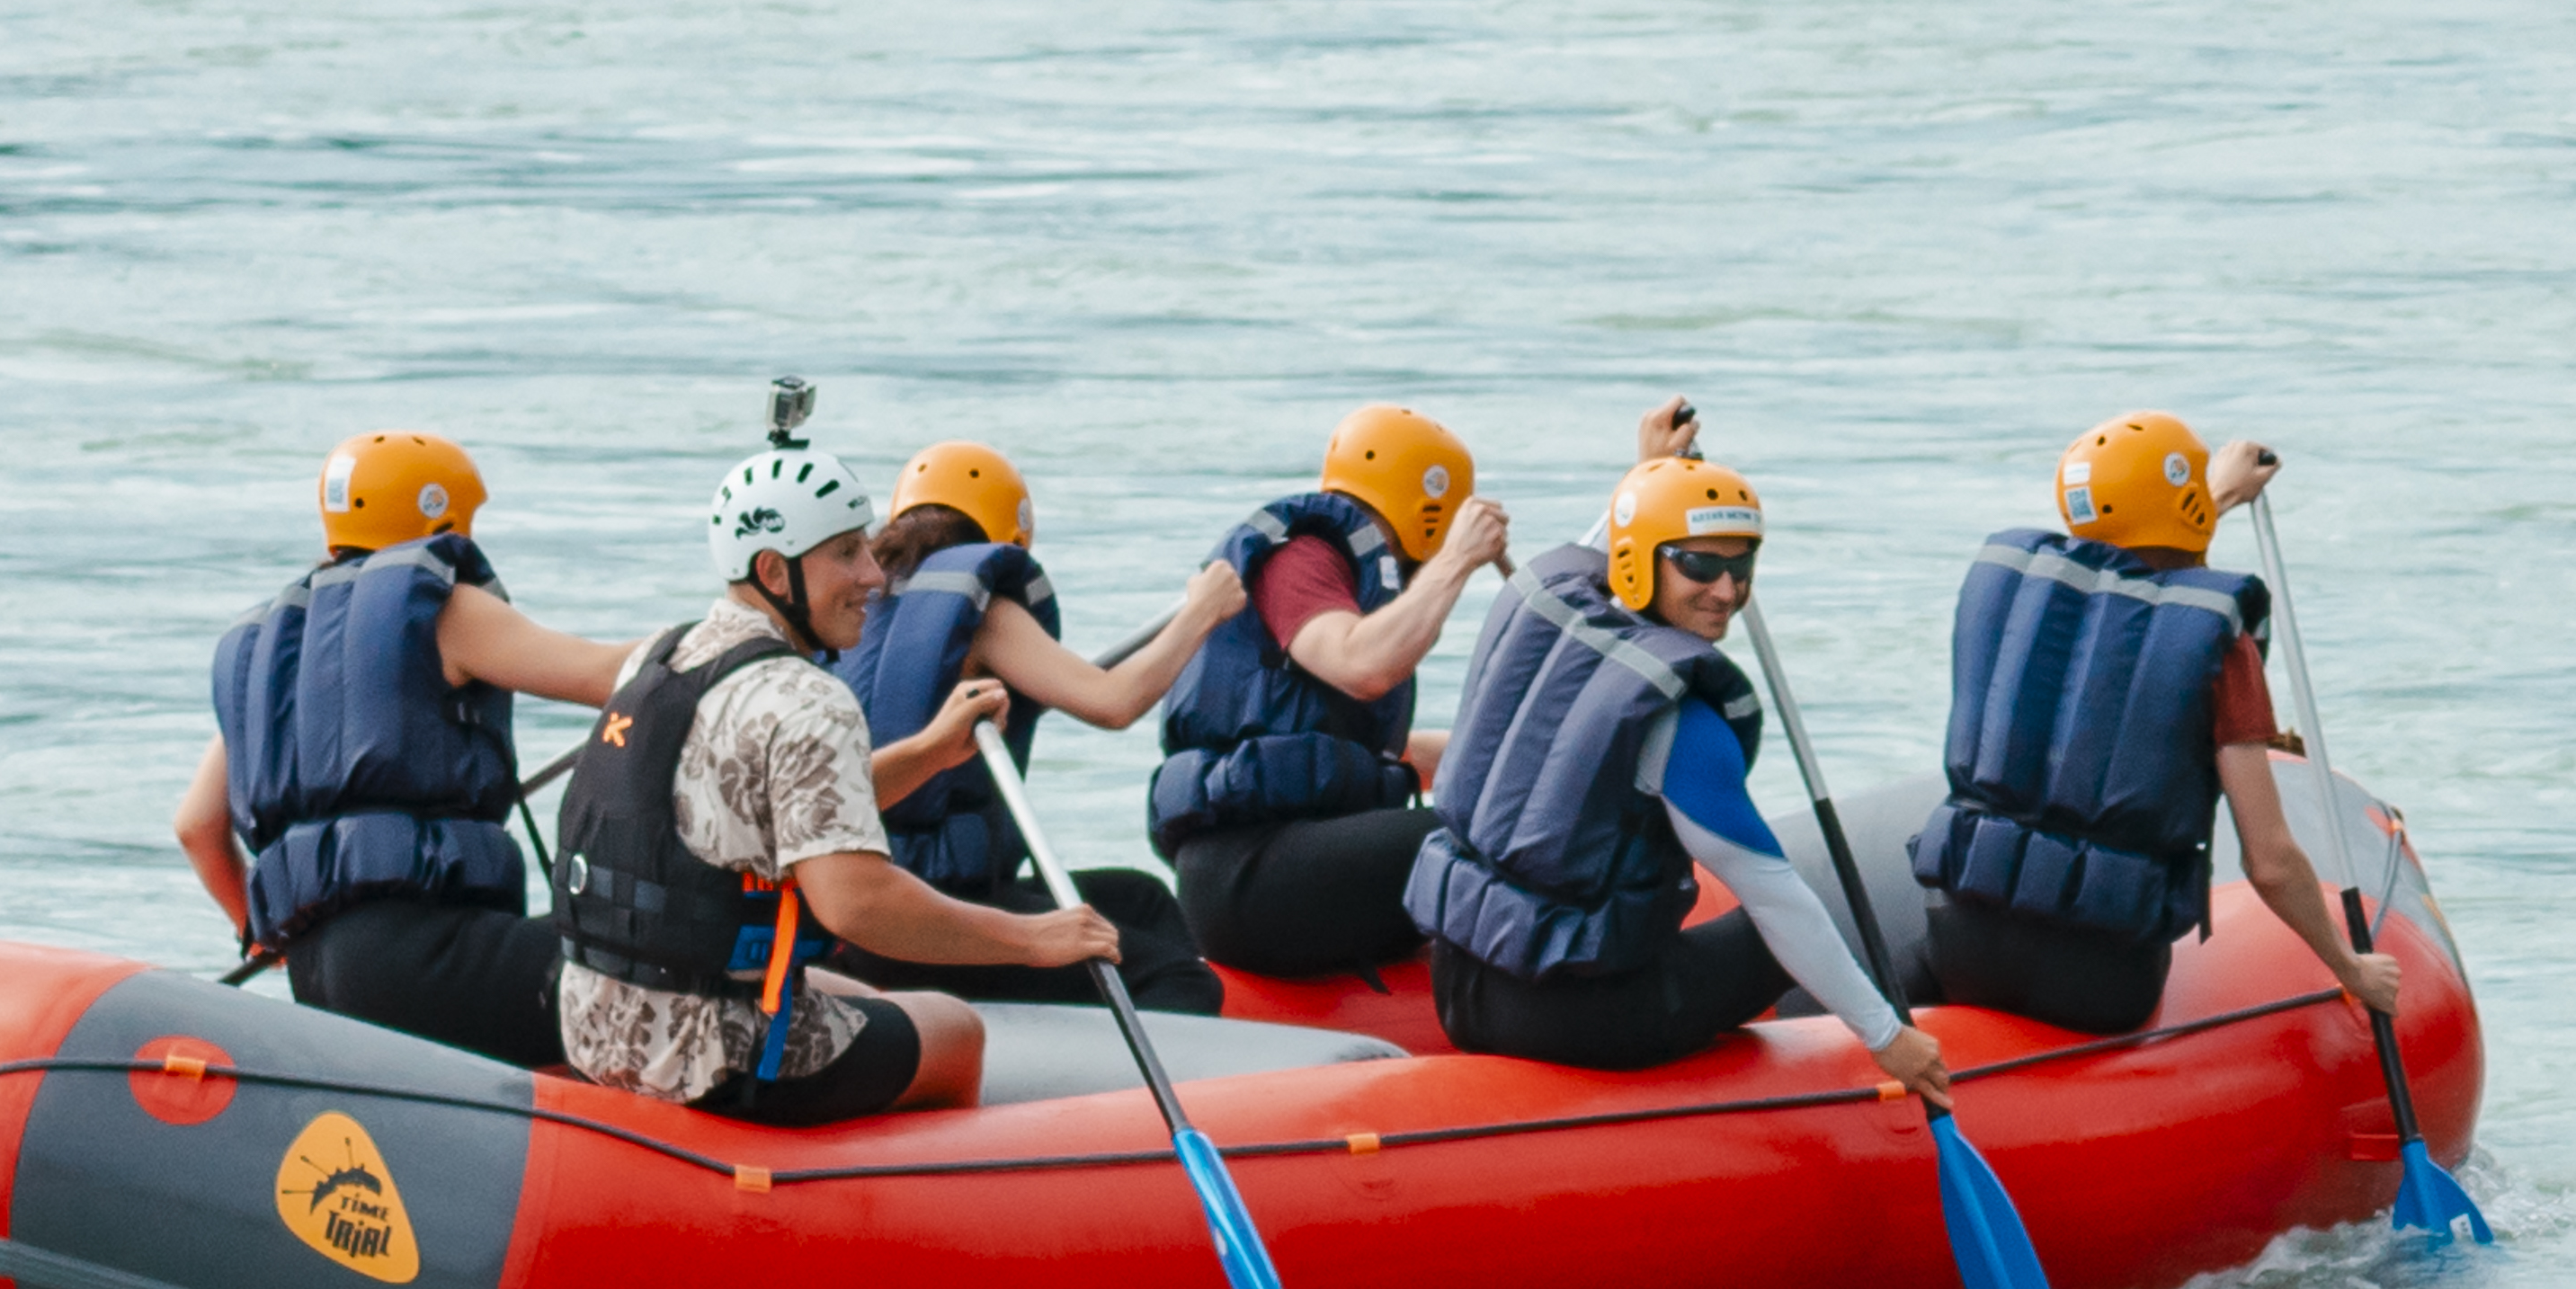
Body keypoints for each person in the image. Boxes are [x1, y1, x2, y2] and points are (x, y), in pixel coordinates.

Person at [545, 435, 1119, 1128]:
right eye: (847, 553)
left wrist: (930, 753)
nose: (874, 576)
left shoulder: (662, 656)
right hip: (710, 1056)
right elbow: (858, 906)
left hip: (592, 1022)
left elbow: (785, 808)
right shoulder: (808, 699)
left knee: (851, 990)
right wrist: (1033, 940)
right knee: (954, 1029)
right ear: (774, 571)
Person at [1404, 445, 1957, 1090]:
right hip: (1582, 1022)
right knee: (1794, 925)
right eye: (1699, 564)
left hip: (1459, 986)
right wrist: (1887, 1040)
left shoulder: (1544, 606)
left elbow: (1607, 538)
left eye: (1741, 564)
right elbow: (1774, 897)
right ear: (1643, 561)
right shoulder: (1678, 725)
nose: (1726, 591)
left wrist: (1654, 466)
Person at [1906, 411, 2401, 1042]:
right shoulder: (2224, 648)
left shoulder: (2013, 596)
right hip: (2100, 981)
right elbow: (2270, 861)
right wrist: (2352, 969)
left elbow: (2128, 588)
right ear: (2187, 507)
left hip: (1963, 952)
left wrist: (2214, 496)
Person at [181, 432, 637, 1071]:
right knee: (669, 960)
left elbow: (197, 828)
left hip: (321, 981)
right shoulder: (443, 610)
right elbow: (610, 677)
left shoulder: (274, 654)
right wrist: (740, 637)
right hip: (426, 960)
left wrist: (264, 941)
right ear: (445, 519)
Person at [829, 439, 1245, 1010]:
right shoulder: (989, 618)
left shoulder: (858, 612)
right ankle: (1148, 1075)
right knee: (1178, 979)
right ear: (1008, 535)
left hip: (864, 908)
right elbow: (1113, 702)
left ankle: (1228, 1037)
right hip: (932, 918)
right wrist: (1202, 611)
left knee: (1139, 898)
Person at [1140, 403, 1510, 982]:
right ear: (1430, 516)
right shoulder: (1302, 558)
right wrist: (1459, 561)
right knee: (1491, 833)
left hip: (1290, 856)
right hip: (1250, 877)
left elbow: (1381, 752)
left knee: (1514, 810)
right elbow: (1362, 665)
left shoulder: (1345, 574)